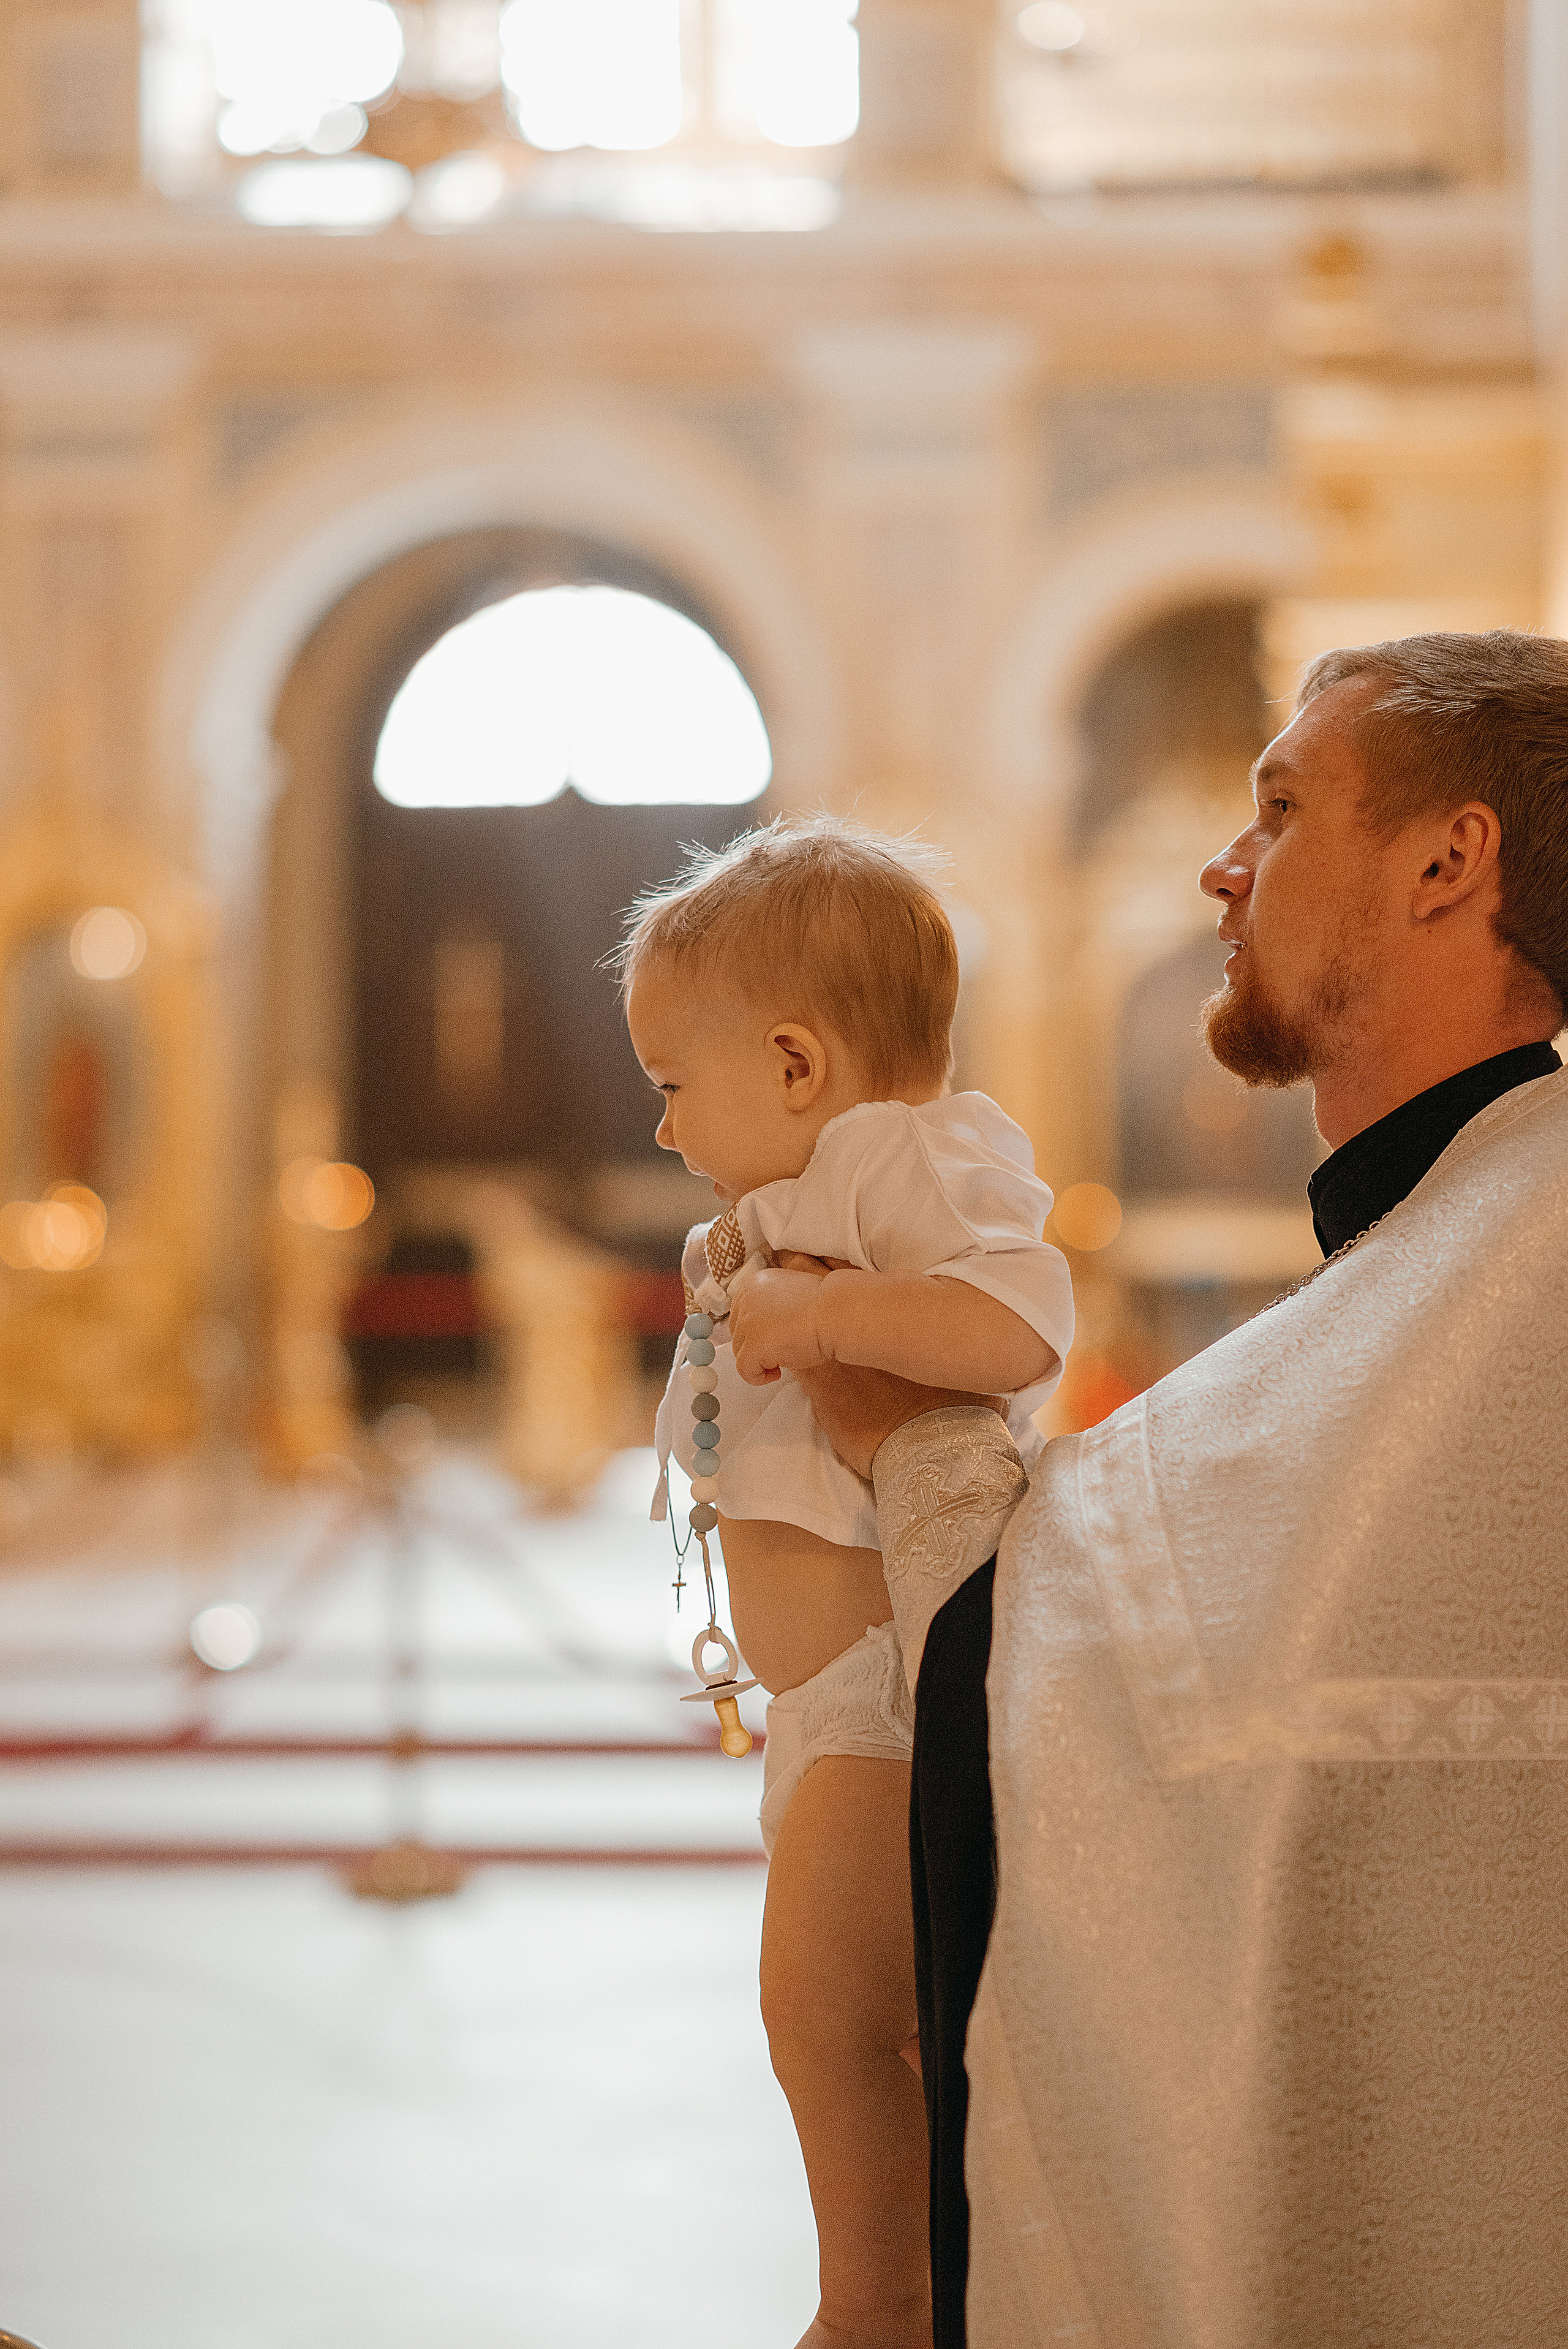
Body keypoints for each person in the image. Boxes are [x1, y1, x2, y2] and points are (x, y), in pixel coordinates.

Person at [791, 629, 1568, 2345]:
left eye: (1281, 809)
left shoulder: (1516, 1267)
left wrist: (907, 1444)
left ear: (1453, 860)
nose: (1224, 866)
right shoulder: (1467, 1250)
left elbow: (1109, 1720)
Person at [612, 815, 1076, 2349]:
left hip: (886, 1685)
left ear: (797, 1065)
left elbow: (1015, 1328)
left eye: (677, 1089)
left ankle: (877, 2310)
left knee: (831, 2023)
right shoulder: (795, 1192)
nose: (666, 1131)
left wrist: (825, 1327)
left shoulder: (900, 1157)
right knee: (835, 2023)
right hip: (824, 1702)